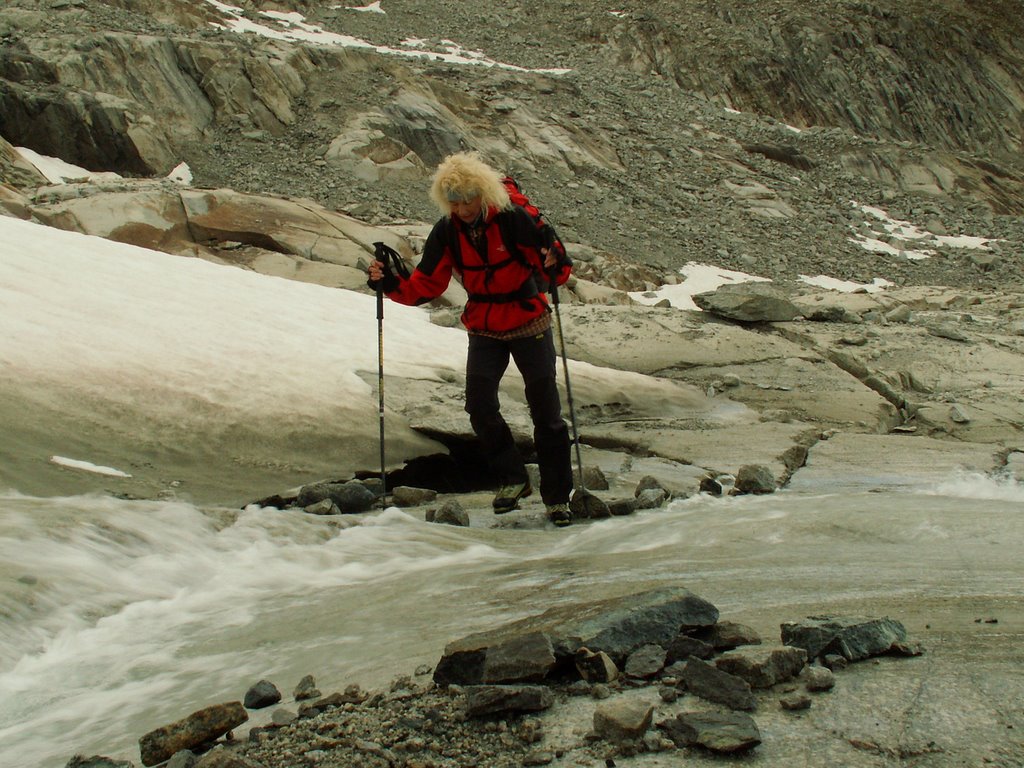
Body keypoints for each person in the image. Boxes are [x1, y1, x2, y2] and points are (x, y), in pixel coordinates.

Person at [367, 151, 574, 526]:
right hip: (484, 325)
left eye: (468, 199)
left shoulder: (515, 220)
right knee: (479, 407)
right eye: (454, 201)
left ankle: (558, 498)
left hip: (529, 321)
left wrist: (554, 263)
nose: (462, 208)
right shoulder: (447, 231)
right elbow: (426, 284)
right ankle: (513, 478)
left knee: (546, 412)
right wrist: (388, 283)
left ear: (484, 193)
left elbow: (557, 270)